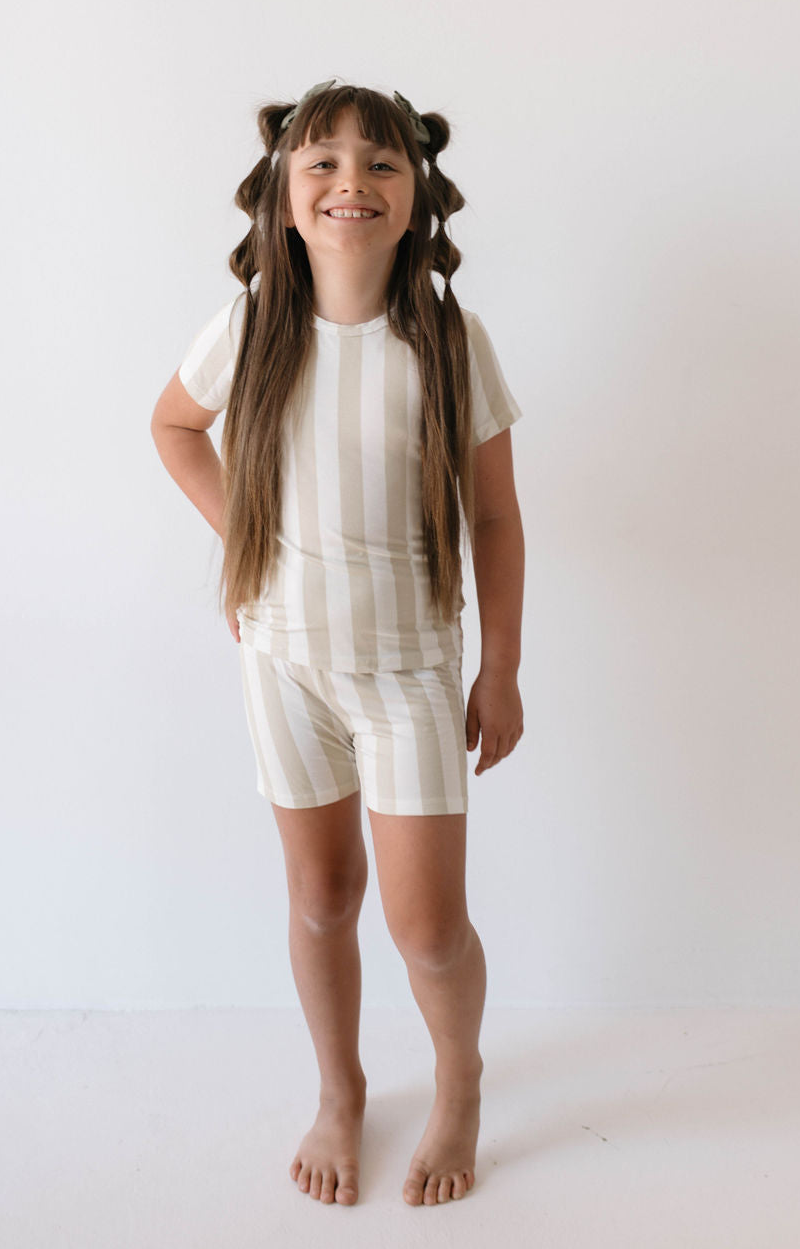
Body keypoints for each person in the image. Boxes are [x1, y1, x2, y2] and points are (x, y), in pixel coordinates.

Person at [150, 79, 525, 1208]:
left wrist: (497, 665)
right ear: (280, 194)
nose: (350, 182)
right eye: (321, 162)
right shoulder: (251, 328)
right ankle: (340, 1086)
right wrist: (243, 538)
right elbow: (173, 427)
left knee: (426, 924)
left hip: (409, 672)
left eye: (380, 164)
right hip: (283, 662)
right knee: (320, 897)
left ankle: (457, 1077)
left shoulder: (451, 343)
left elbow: (497, 515)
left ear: (417, 199)